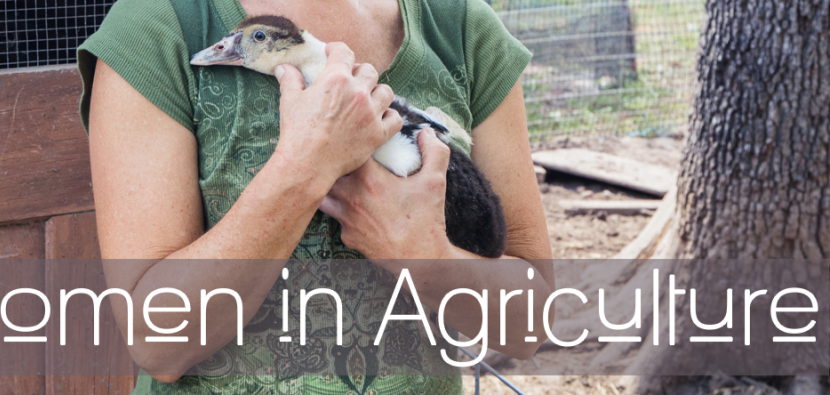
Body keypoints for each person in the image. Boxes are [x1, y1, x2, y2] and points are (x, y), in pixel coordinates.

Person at [77, 0, 554, 392]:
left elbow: (530, 325)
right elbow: (159, 342)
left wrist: (423, 254)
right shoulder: (157, 26)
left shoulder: (461, 25)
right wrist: (306, 168)